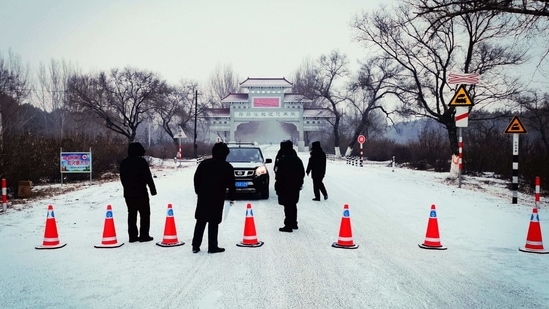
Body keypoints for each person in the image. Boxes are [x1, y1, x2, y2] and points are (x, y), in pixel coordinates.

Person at [192, 142, 236, 253]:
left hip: (203, 196)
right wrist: (232, 197)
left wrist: (199, 191)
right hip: (218, 197)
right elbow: (231, 184)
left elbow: (196, 178)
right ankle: (212, 246)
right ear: (225, 154)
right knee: (214, 222)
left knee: (200, 221)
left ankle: (195, 245)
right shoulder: (227, 167)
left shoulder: (204, 164)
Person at [120, 142, 157, 243]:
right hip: (141, 193)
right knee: (145, 214)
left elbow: (122, 178)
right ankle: (144, 235)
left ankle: (132, 236)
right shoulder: (141, 162)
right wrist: (153, 190)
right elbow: (148, 177)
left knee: (131, 214)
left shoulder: (124, 162)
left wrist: (127, 188)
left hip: (128, 194)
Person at [274, 140, 305, 232]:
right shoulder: (297, 159)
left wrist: (278, 186)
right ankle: (294, 223)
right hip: (295, 186)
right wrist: (299, 183)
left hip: (285, 186)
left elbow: (279, 174)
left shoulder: (282, 159)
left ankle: (288, 225)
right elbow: (301, 173)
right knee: (293, 205)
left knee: (287, 206)